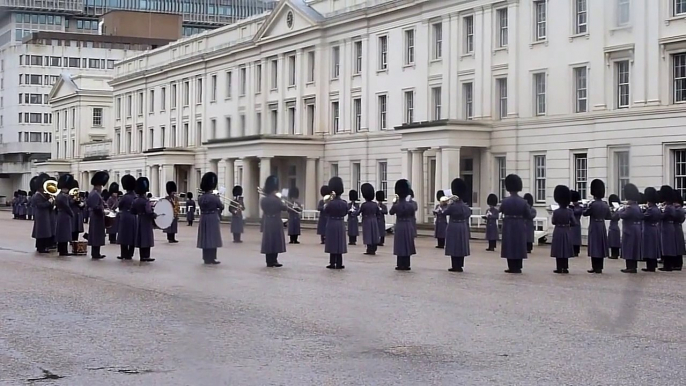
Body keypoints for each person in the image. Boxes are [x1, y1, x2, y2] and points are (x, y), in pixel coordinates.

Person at [500, 174, 533, 274]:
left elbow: (501, 210)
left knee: (509, 245)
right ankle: (518, 266)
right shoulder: (523, 202)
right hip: (519, 224)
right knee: (519, 244)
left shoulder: (505, 201)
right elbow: (529, 215)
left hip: (508, 224)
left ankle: (511, 266)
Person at [583, 179, 611, 273]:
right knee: (601, 246)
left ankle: (595, 266)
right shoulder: (605, 204)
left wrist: (585, 206)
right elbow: (608, 216)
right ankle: (600, 267)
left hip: (594, 225)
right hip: (602, 225)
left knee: (594, 246)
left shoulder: (593, 204)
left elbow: (585, 213)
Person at [444, 178, 472, 272]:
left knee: (454, 246)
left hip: (453, 226)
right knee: (461, 246)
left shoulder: (452, 205)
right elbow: (468, 213)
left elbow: (445, 212)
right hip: (463, 226)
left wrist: (446, 204)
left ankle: (455, 265)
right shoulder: (465, 206)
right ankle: (460, 265)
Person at [197, 172, 223, 265]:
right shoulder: (214, 197)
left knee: (205, 239)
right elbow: (221, 206)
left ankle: (206, 258)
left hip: (203, 217)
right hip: (212, 218)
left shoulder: (200, 197)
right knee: (213, 238)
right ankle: (212, 257)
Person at [261, 176, 287, 267]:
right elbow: (284, 208)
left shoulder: (264, 199)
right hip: (276, 220)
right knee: (275, 241)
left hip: (267, 221)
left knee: (268, 241)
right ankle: (274, 260)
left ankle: (269, 261)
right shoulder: (276, 199)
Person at [390, 180, 416, 271]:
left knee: (400, 244)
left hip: (400, 225)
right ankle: (407, 264)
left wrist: (394, 202)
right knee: (407, 244)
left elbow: (391, 212)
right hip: (408, 225)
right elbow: (412, 214)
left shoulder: (396, 205)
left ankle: (400, 264)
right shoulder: (410, 205)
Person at [551, 185, 576, 274]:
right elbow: (574, 223)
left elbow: (553, 222)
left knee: (558, 249)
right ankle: (565, 267)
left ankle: (559, 267)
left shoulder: (556, 211)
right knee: (565, 249)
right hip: (566, 230)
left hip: (558, 230)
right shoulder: (570, 211)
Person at [324, 177, 348, 269]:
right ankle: (339, 263)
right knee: (339, 243)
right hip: (340, 223)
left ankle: (332, 262)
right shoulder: (344, 203)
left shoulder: (330, 203)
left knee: (332, 243)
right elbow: (346, 212)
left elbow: (325, 211)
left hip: (331, 223)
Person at [619, 184, 643, 273]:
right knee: (635, 248)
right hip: (637, 228)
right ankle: (634, 266)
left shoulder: (630, 208)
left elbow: (622, 215)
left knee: (629, 248)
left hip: (629, 229)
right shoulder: (637, 207)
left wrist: (621, 209)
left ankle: (630, 267)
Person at [132, 177, 156, 262]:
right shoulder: (145, 201)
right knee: (147, 238)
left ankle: (142, 256)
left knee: (141, 238)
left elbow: (133, 211)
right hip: (146, 220)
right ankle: (146, 255)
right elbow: (149, 211)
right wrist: (154, 215)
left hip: (139, 219)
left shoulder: (136, 200)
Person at [87, 171, 109, 260]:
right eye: (100, 186)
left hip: (96, 217)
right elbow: (96, 207)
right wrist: (103, 212)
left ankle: (96, 252)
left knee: (97, 235)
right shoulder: (95, 194)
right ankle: (95, 253)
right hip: (97, 217)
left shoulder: (95, 193)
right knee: (96, 235)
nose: (101, 188)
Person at [355, 183, 381, 256]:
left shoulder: (364, 205)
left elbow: (358, 212)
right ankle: (373, 248)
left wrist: (353, 212)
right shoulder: (375, 204)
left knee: (368, 235)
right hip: (374, 220)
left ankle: (369, 249)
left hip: (366, 220)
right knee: (374, 234)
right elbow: (378, 213)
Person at [30, 175, 53, 254]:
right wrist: (49, 202)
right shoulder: (37, 195)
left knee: (44, 232)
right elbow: (41, 205)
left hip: (44, 215)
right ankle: (41, 247)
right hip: (41, 215)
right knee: (41, 232)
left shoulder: (42, 195)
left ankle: (43, 246)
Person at [116, 175, 137, 261]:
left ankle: (123, 253)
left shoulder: (125, 197)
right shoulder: (135, 196)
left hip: (125, 217)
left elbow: (120, 206)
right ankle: (130, 254)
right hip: (134, 217)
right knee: (132, 236)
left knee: (123, 236)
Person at [55, 174, 75, 256]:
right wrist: (72, 214)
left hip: (61, 215)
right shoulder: (63, 196)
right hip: (65, 216)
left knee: (61, 234)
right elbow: (67, 207)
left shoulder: (59, 195)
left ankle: (61, 249)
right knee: (64, 234)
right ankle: (64, 251)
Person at [642, 187, 662, 272]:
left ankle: (650, 267)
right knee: (653, 248)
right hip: (654, 228)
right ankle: (652, 265)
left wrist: (642, 211)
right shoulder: (656, 209)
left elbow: (643, 217)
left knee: (649, 248)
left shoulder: (650, 210)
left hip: (649, 230)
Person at [658, 185, 678, 271]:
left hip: (667, 227)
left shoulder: (668, 207)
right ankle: (668, 264)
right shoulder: (670, 206)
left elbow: (662, 216)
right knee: (668, 246)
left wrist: (659, 211)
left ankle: (668, 265)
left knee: (667, 247)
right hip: (668, 226)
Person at [607, 194, 622, 259]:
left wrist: (612, 211)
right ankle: (614, 253)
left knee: (615, 241)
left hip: (615, 227)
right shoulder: (615, 209)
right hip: (612, 226)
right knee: (612, 241)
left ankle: (615, 254)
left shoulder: (617, 210)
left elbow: (613, 217)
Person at [570, 191, 583, 257]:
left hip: (576, 223)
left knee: (576, 239)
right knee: (572, 238)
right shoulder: (571, 207)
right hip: (571, 224)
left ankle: (576, 251)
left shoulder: (578, 207)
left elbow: (578, 211)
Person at [674, 194, 685, 271]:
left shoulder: (678, 209)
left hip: (676, 228)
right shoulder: (679, 209)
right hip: (677, 228)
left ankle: (677, 264)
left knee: (677, 247)